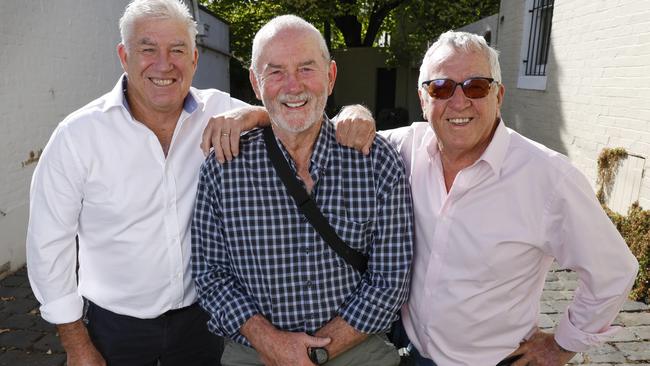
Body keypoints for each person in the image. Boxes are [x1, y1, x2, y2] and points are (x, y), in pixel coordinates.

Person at [207, 31, 640, 366]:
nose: (457, 102)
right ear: (421, 97)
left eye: (475, 86)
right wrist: (258, 114)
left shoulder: (549, 177)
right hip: (411, 354)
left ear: (499, 94)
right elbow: (307, 122)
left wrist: (563, 344)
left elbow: (614, 271)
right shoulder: (405, 148)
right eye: (440, 88)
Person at [25, 0, 265, 364]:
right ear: (124, 55)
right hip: (113, 326)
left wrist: (251, 114)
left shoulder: (219, 112)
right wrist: (76, 342)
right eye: (147, 49)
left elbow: (284, 120)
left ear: (195, 59)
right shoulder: (77, 135)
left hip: (205, 320)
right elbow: (47, 243)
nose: (164, 64)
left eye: (177, 50)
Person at [191, 15, 414, 366]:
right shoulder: (223, 168)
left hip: (358, 349)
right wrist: (273, 343)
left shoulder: (375, 159)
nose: (293, 86)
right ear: (255, 81)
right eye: (275, 72)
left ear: (331, 75)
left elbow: (391, 277)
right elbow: (210, 275)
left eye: (306, 68)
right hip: (256, 352)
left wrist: (317, 351)